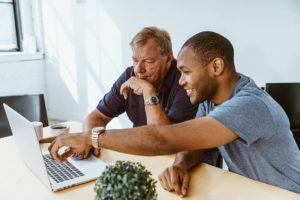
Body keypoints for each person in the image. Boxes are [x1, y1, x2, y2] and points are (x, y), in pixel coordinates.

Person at [42, 31, 300, 196]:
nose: (182, 81)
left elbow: (164, 139)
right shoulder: (211, 101)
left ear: (216, 67)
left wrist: (91, 138)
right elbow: (193, 146)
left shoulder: (250, 105)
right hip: (252, 192)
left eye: (186, 72)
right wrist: (180, 165)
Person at [75, 26, 199, 160]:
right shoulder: (130, 75)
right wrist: (90, 139)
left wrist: (148, 91)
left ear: (168, 59)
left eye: (148, 61)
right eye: (135, 60)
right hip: (144, 155)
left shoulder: (185, 81)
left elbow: (163, 141)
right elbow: (97, 115)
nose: (139, 69)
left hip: (179, 161)